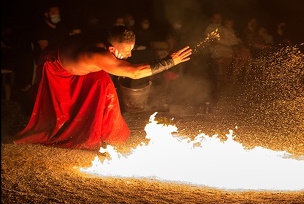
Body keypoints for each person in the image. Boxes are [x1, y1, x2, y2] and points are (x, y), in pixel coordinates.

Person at [13, 25, 192, 150]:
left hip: (74, 57)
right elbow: (135, 73)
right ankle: (72, 132)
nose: (129, 54)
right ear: (112, 50)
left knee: (104, 84)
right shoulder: (98, 54)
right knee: (65, 105)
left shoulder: (107, 40)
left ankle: (110, 134)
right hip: (57, 66)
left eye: (131, 49)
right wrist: (169, 61)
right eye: (126, 51)